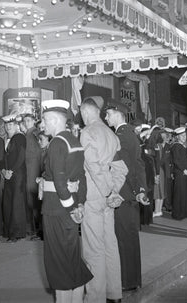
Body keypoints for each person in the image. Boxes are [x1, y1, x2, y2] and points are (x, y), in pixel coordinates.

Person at [41, 99, 93, 303]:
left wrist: (71, 206)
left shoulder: (56, 143)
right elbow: (81, 178)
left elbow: (60, 181)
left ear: (54, 120)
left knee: (58, 263)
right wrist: (79, 204)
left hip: (56, 209)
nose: (43, 125)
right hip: (71, 208)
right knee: (71, 259)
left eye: (45, 120)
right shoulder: (74, 141)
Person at [79, 96, 127, 303]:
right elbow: (120, 168)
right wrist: (114, 191)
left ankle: (95, 298)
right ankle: (114, 294)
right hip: (109, 198)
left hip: (93, 196)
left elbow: (93, 167)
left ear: (85, 112)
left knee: (93, 249)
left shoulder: (87, 133)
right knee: (110, 244)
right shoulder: (111, 134)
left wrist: (108, 192)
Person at [104, 99, 149, 292]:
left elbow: (125, 168)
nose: (106, 118)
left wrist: (131, 191)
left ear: (117, 114)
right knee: (128, 236)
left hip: (123, 193)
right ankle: (131, 279)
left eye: (108, 114)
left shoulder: (121, 136)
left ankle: (126, 281)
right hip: (130, 192)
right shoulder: (128, 133)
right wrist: (140, 190)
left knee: (123, 238)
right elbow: (138, 164)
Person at [1, 114, 27, 242]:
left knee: (16, 204)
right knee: (8, 203)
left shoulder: (19, 137)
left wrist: (11, 171)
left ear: (16, 125)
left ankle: (16, 233)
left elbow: (21, 157)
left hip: (17, 175)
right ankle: (9, 231)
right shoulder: (7, 138)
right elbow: (4, 158)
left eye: (10, 125)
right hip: (8, 175)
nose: (8, 127)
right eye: (6, 125)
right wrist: (4, 171)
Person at [22, 113, 43, 239]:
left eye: (29, 120)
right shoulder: (28, 134)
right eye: (25, 121)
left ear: (34, 121)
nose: (26, 123)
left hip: (33, 171)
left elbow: (40, 153)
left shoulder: (35, 134)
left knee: (34, 201)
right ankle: (33, 229)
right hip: (28, 171)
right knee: (30, 200)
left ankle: (37, 230)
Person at [170, 127, 187, 220]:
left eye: (185, 136)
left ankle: (185, 212)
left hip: (185, 172)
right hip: (180, 172)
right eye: (182, 136)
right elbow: (176, 160)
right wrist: (184, 170)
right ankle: (178, 214)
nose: (184, 137)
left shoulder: (183, 146)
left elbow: (186, 159)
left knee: (185, 193)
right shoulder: (176, 146)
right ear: (178, 137)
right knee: (179, 193)